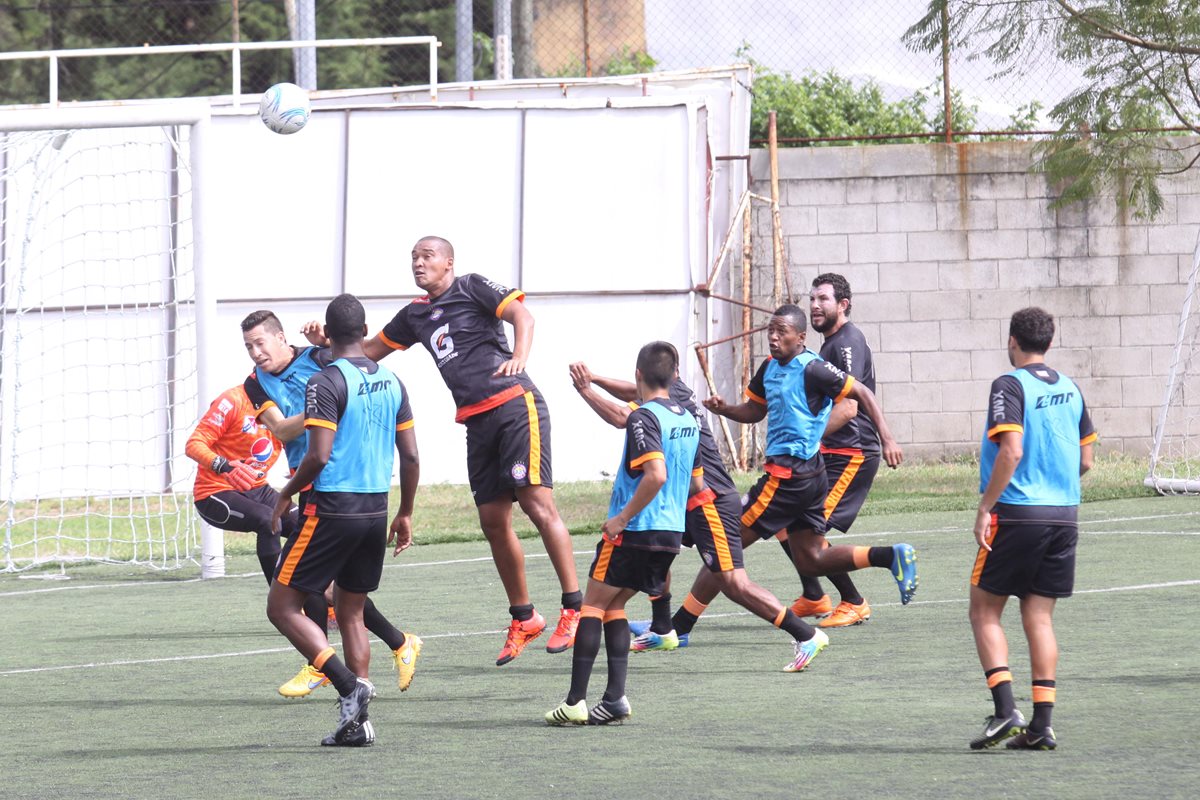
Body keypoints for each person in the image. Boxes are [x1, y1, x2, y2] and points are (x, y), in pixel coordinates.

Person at [348, 235, 581, 666]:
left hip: (514, 405)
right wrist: (320, 347)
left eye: (427, 256)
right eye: (413, 258)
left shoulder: (471, 285)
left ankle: (574, 607)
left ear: (448, 263)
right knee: (492, 520)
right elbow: (364, 353)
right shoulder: (415, 315)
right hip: (476, 420)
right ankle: (524, 617)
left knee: (536, 503)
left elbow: (522, 317)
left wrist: (520, 357)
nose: (418, 263)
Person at [569, 355, 833, 672]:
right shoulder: (670, 390)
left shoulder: (663, 402)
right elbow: (631, 390)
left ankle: (806, 635)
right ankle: (664, 628)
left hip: (709, 502)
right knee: (656, 550)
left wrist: (586, 390)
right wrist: (596, 378)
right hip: (688, 502)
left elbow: (621, 416)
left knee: (733, 582)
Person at [242, 309, 422, 698]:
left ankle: (333, 668)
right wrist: (327, 410)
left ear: (280, 338)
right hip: (346, 495)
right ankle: (376, 664)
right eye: (248, 346)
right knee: (334, 597)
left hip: (328, 490)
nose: (255, 353)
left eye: (260, 342)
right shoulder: (255, 384)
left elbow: (350, 365)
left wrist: (331, 400)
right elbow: (278, 427)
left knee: (297, 594)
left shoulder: (321, 362)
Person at [702, 304, 919, 610]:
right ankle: (887, 556)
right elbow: (755, 410)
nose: (774, 338)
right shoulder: (769, 367)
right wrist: (724, 409)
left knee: (723, 539)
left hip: (790, 476)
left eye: (782, 332)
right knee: (811, 559)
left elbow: (862, 394)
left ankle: (676, 626)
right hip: (806, 475)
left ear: (801, 337)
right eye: (771, 331)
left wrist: (888, 438)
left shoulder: (813, 367)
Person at [545, 342, 701, 726]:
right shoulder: (690, 419)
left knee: (591, 607)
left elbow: (656, 474)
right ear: (676, 375)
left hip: (635, 530)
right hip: (670, 536)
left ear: (637, 376)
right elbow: (696, 486)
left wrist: (621, 518)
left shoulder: (644, 418)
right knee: (615, 607)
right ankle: (614, 698)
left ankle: (575, 702)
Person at [968, 307, 1096, 751]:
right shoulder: (1071, 387)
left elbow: (1012, 450)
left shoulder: (1009, 384)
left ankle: (1006, 711)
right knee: (1038, 617)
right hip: (1064, 515)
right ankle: (1042, 724)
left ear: (1012, 340)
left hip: (1017, 513)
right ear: (1050, 342)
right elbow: (1085, 461)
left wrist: (986, 507)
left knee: (984, 610)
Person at [185, 384, 332, 686]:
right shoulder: (233, 400)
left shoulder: (293, 404)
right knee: (269, 521)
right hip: (215, 493)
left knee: (306, 526)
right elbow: (194, 444)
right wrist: (224, 466)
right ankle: (286, 607)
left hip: (259, 489)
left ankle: (330, 610)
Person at [784, 273, 884, 628]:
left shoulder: (846, 343)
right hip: (831, 453)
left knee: (810, 533)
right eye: (812, 298)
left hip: (852, 454)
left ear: (843, 305)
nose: (814, 305)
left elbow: (850, 407)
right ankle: (814, 596)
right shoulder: (828, 343)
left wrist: (804, 440)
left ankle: (854, 602)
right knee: (785, 522)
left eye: (823, 299)